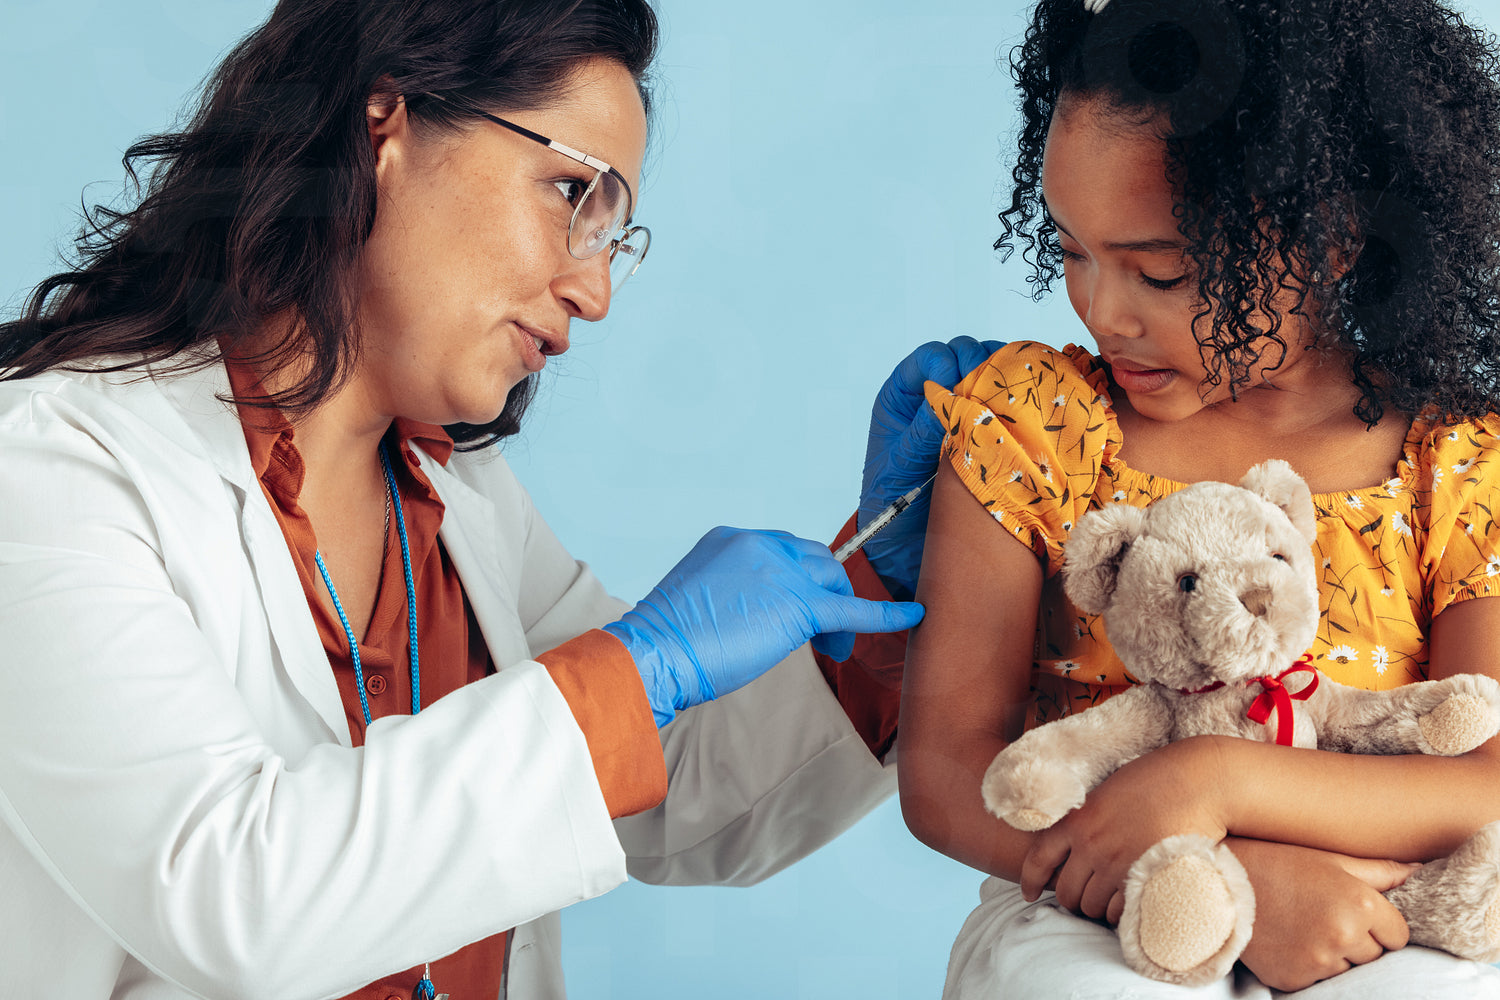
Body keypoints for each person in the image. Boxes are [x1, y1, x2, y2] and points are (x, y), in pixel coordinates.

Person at [0, 1, 1001, 996]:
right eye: (571, 192)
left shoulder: (455, 492)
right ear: (384, 124)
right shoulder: (56, 468)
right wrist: (642, 662)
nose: (594, 292)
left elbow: (666, 784)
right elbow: (230, 898)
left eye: (613, 236)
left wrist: (890, 579)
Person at [896, 0, 1500, 996]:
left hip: (1379, 900)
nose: (1102, 309)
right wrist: (1213, 871)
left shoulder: (1459, 462)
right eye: (1072, 250)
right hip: (1092, 897)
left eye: (1162, 272)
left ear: (1333, 238)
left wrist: (1213, 782)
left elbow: (1483, 778)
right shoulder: (1033, 424)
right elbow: (945, 770)